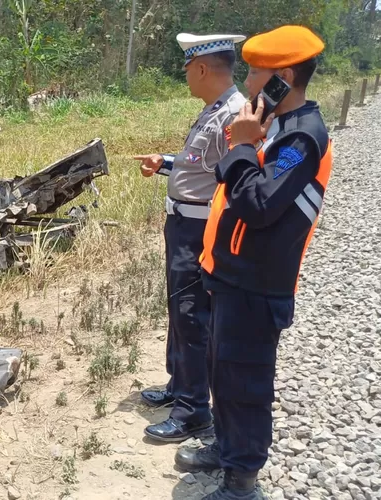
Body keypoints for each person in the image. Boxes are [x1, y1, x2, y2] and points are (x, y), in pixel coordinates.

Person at [174, 26, 332, 500]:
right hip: (231, 275)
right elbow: (232, 181)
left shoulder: (302, 137)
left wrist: (243, 143)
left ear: (282, 76)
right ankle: (226, 445)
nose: (247, 81)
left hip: (258, 284)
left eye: (255, 72)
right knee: (222, 369)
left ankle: (242, 479)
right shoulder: (274, 123)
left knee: (245, 380)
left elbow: (259, 205)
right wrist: (245, 142)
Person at [134, 33, 247, 443]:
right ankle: (180, 384)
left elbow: (236, 180)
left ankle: (194, 410)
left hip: (201, 229)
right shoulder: (213, 111)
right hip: (183, 225)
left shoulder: (234, 116)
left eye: (187, 69)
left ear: (201, 68)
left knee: (192, 314)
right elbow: (202, 165)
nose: (186, 77)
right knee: (178, 310)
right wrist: (165, 162)